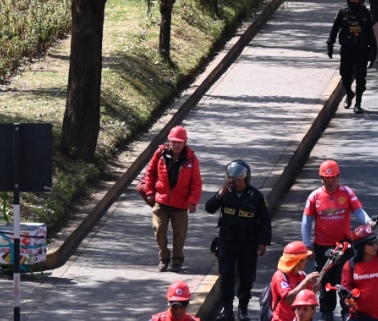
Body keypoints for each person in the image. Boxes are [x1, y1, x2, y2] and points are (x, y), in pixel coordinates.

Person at [206, 160, 272, 321]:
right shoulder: (226, 193)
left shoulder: (256, 196)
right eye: (233, 180)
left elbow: (265, 220)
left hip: (248, 244)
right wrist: (219, 194)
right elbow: (209, 208)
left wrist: (263, 242)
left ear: (246, 178)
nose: (236, 183)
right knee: (226, 274)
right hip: (227, 243)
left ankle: (243, 309)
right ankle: (227, 310)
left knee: (246, 277)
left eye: (239, 180)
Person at [303, 160, 370, 320]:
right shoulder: (314, 196)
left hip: (344, 248)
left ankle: (347, 313)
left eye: (333, 177)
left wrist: (370, 225)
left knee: (345, 282)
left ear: (338, 177)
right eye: (327, 178)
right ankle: (326, 313)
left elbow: (359, 212)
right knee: (325, 282)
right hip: (322, 248)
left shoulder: (346, 193)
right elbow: (306, 221)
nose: (331, 181)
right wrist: (307, 244)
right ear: (321, 178)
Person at [137, 125, 203, 272]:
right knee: (159, 229)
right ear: (169, 141)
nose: (177, 145)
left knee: (179, 234)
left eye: (180, 142)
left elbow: (196, 182)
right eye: (174, 141)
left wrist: (193, 202)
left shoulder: (192, 160)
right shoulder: (160, 154)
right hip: (161, 200)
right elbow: (150, 173)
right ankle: (164, 258)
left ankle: (178, 260)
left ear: (185, 142)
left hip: (181, 204)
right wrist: (149, 192)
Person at [329, 0, 376, 113]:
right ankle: (349, 94)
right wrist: (330, 44)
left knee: (360, 77)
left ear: (360, 0)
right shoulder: (342, 13)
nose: (354, 2)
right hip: (347, 50)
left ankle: (358, 103)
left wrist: (373, 50)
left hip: (361, 51)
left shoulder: (366, 13)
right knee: (345, 76)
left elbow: (371, 33)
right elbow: (334, 30)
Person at [342, 223, 378, 321]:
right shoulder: (349, 266)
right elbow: (345, 289)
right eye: (370, 243)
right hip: (357, 317)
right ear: (360, 246)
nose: (375, 246)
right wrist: (347, 300)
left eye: (375, 241)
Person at [267, 242, 321, 321]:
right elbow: (289, 300)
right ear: (298, 260)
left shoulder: (302, 275)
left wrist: (313, 290)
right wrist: (305, 282)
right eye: (305, 258)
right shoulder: (280, 276)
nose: (307, 261)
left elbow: (305, 300)